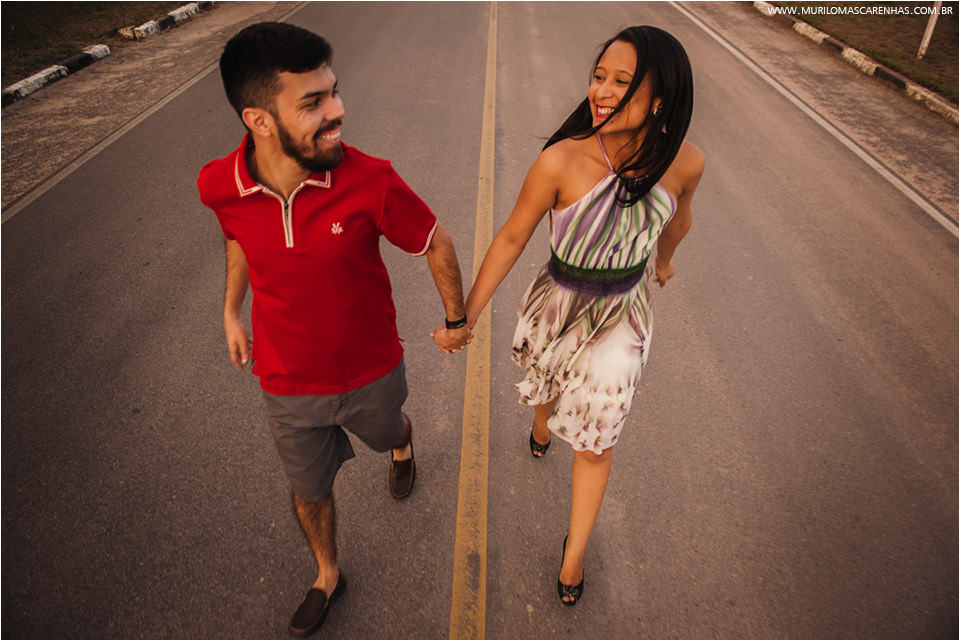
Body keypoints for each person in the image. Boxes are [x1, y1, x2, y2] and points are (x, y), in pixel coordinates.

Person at [196, 22, 471, 637]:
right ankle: (327, 574)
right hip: (287, 383)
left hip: (372, 369)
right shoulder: (220, 186)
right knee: (309, 489)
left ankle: (401, 443)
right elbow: (237, 239)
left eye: (335, 92)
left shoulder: (370, 179)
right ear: (259, 120)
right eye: (314, 102)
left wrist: (455, 320)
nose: (338, 111)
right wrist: (229, 311)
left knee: (384, 431)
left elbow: (435, 241)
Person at [463, 25, 704, 605]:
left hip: (622, 317)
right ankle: (542, 424)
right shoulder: (561, 161)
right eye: (600, 77)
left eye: (623, 82)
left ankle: (573, 558)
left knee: (596, 444)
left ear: (660, 100)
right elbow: (511, 238)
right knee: (547, 387)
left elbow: (677, 219)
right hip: (558, 303)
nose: (602, 91)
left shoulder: (685, 162)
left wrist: (664, 262)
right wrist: (464, 316)